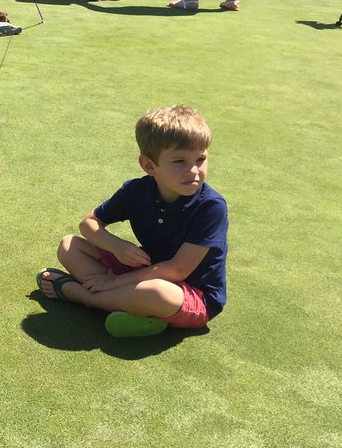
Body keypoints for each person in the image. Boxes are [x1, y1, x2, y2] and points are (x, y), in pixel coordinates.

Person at [37, 105, 227, 338]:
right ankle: (132, 308)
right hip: (145, 271)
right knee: (69, 245)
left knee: (156, 293)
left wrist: (114, 282)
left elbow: (177, 270)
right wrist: (118, 247)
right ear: (149, 165)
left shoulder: (211, 207)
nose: (194, 170)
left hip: (191, 294)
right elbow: (89, 224)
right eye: (180, 161)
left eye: (200, 159)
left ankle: (81, 296)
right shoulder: (137, 191)